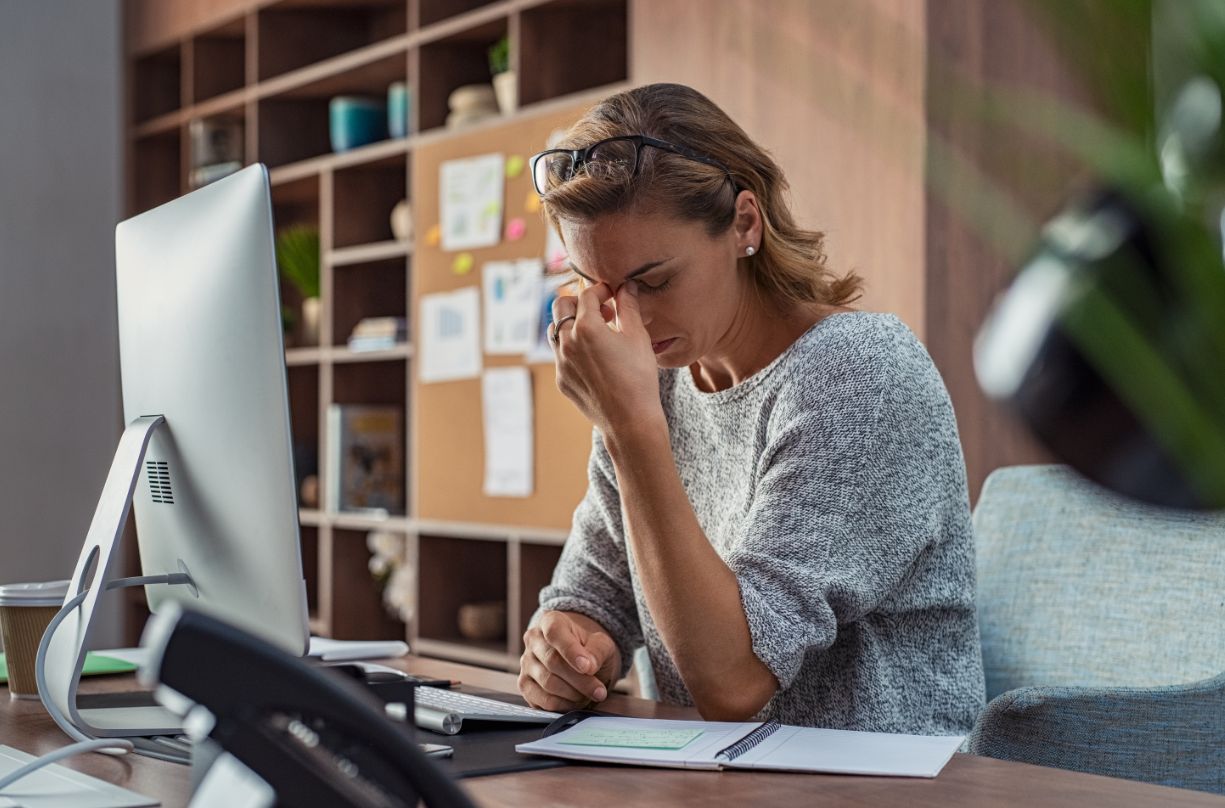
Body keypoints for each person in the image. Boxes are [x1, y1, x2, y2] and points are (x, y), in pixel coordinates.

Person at [518, 83, 984, 734]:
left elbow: (732, 680)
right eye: (599, 286)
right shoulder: (655, 383)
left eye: (653, 281)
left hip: (879, 786)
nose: (627, 318)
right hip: (712, 780)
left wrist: (629, 428)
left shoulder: (858, 375)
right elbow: (596, 589)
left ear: (744, 223)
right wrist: (566, 646)